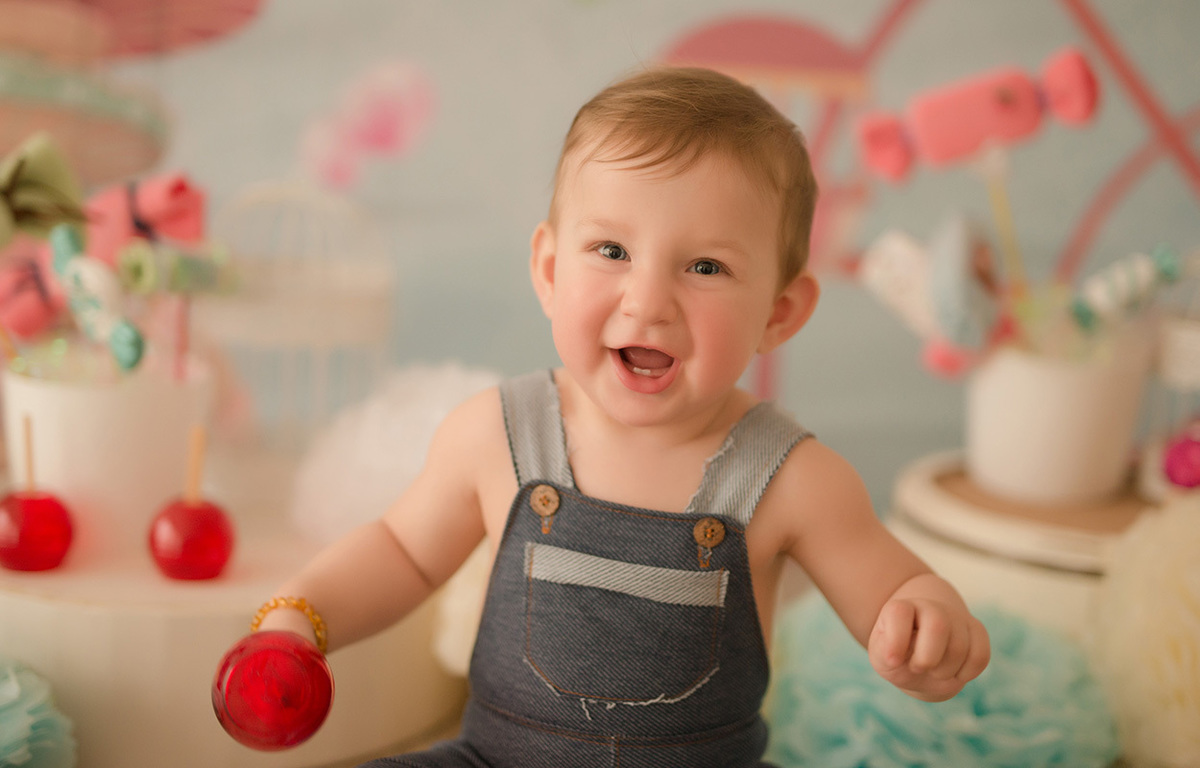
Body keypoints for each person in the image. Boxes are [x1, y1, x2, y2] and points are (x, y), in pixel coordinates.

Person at [237, 66, 990, 767]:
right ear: (551, 270)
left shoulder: (792, 477)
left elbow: (891, 588)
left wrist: (924, 621)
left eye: (705, 267)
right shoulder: (495, 434)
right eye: (611, 250)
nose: (648, 300)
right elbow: (402, 551)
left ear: (779, 312)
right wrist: (301, 616)